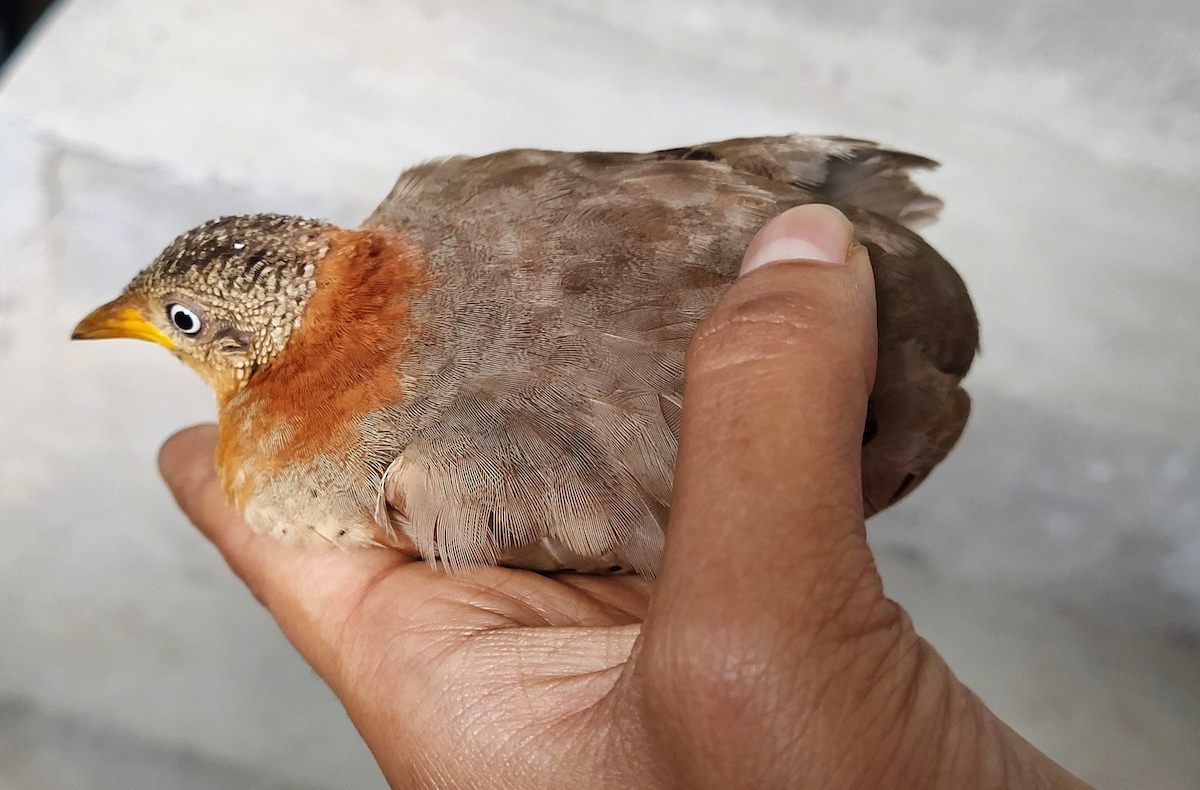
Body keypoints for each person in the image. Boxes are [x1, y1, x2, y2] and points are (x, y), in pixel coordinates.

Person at [159, 205, 1092, 789]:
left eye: (183, 326)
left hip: (853, 340)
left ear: (248, 349)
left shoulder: (444, 475)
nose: (152, 331)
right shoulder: (451, 195)